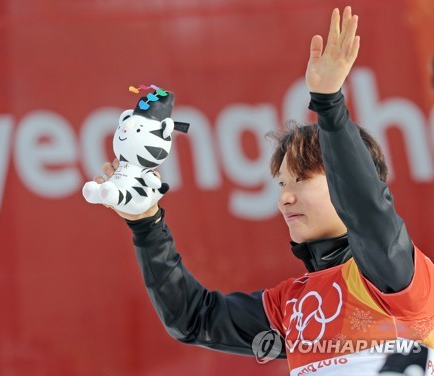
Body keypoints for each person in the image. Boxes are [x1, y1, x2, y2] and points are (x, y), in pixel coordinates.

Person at [94, 6, 434, 375]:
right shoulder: (291, 304)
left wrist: (329, 103)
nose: (284, 198)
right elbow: (193, 319)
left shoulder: (393, 273)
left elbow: (366, 209)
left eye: (301, 180)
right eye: (282, 184)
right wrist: (147, 224)